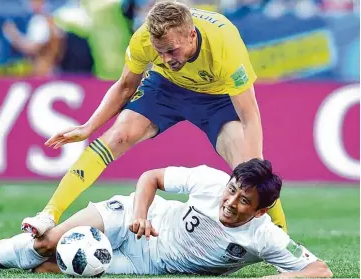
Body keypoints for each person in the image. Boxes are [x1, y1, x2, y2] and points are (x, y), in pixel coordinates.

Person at [21, 0, 288, 238]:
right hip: (165, 89)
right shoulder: (145, 39)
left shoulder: (225, 44)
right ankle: (49, 214)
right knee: (117, 136)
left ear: (191, 35)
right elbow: (126, 86)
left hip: (215, 100)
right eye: (159, 52)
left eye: (171, 51)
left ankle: (280, 237)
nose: (164, 58)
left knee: (249, 170)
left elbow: (249, 115)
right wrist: (88, 126)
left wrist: (255, 170)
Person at [0, 159, 332, 278]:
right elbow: (151, 177)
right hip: (132, 217)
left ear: (260, 210)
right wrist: (139, 214)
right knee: (45, 243)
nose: (230, 203)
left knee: (50, 269)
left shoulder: (264, 235)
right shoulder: (209, 181)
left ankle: (14, 256)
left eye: (243, 201)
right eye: (231, 191)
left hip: (148, 263)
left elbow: (320, 270)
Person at [3, 0, 63, 76]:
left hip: (44, 71)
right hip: (46, 70)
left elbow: (32, 48)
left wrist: (13, 35)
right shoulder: (47, 19)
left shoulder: (41, 21)